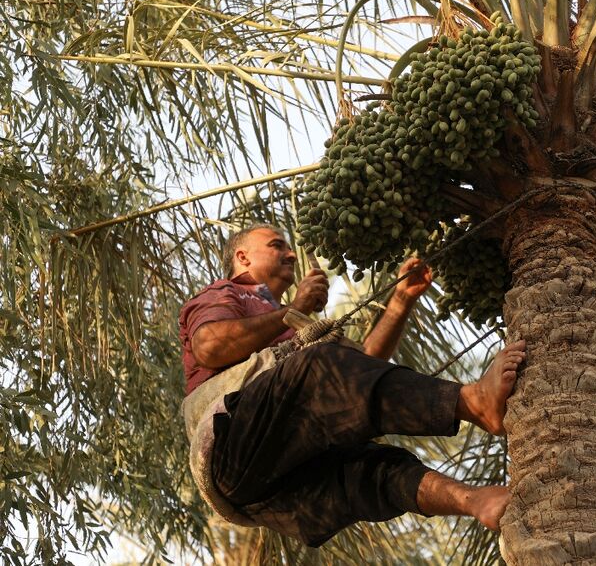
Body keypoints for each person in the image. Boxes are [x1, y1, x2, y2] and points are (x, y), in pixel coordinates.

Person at [178, 223, 526, 547]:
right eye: (276, 245)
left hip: (262, 491)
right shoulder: (226, 293)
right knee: (320, 365)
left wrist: (402, 298)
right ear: (243, 257)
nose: (290, 254)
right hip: (227, 444)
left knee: (373, 472)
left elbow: (358, 372)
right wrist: (294, 308)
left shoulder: (287, 329)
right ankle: (472, 403)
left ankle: (474, 501)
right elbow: (210, 346)